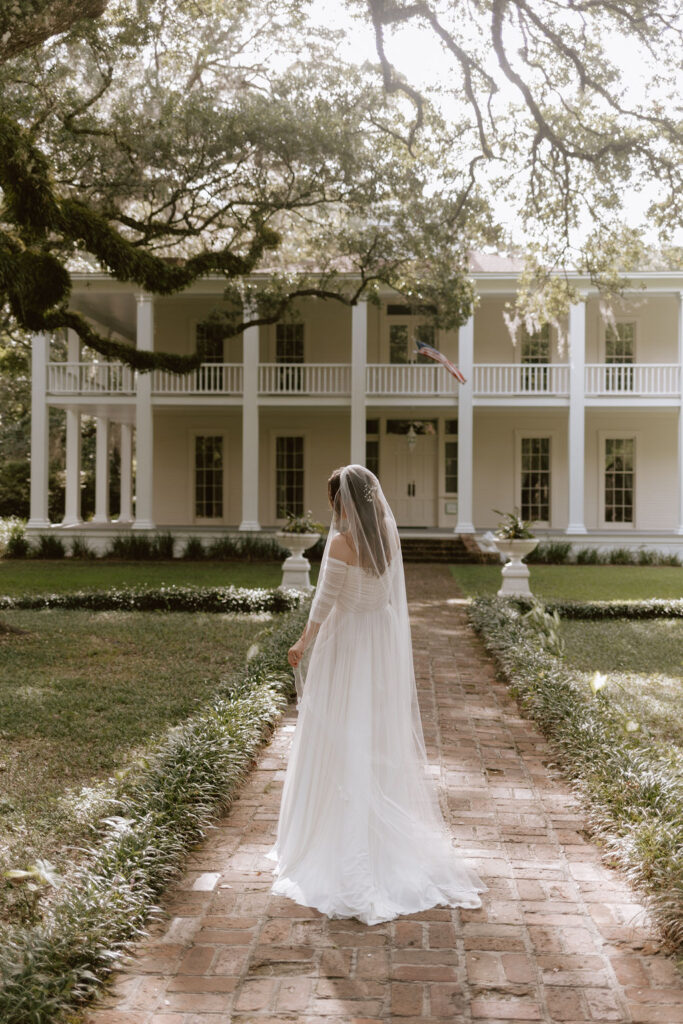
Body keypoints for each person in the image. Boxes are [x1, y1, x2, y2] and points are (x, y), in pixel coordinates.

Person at [266, 464, 487, 925]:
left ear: (342, 503)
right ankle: (376, 821)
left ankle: (341, 839)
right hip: (379, 641)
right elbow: (387, 594)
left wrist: (302, 643)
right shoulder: (388, 531)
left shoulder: (341, 544)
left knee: (340, 732)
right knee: (374, 730)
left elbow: (324, 602)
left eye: (335, 503)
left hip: (346, 645)